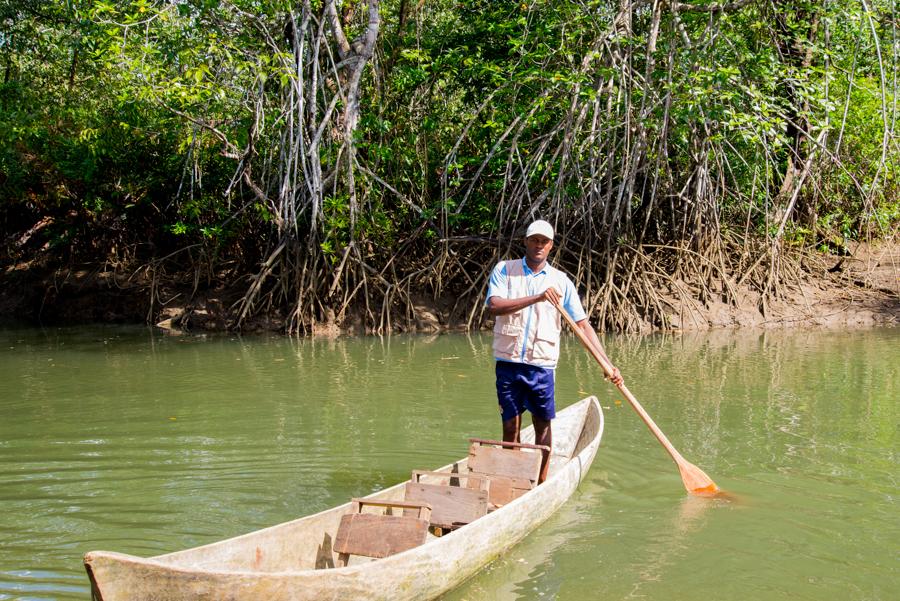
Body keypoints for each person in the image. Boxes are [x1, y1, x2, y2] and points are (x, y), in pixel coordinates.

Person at [486, 219, 622, 483]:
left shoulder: (561, 281)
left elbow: (582, 325)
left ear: (551, 246)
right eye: (534, 240)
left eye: (544, 241)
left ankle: (541, 482)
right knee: (509, 428)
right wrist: (537, 297)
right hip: (509, 363)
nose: (539, 245)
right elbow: (495, 305)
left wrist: (608, 364)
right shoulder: (505, 269)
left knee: (542, 426)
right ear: (525, 241)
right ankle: (510, 482)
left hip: (541, 366)